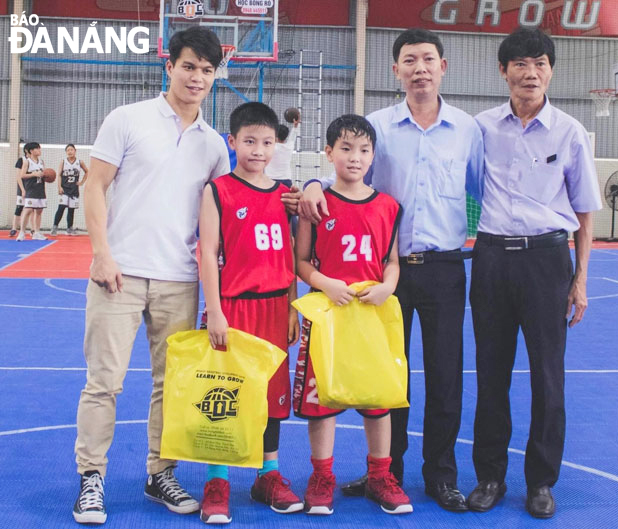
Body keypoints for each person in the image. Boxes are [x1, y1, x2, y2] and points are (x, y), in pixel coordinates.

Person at [300, 28, 483, 512]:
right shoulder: (376, 127)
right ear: (395, 69)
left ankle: (441, 475)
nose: (419, 67)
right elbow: (348, 169)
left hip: (444, 267)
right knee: (385, 377)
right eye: (409, 59)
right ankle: (388, 472)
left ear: (443, 66)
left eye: (428, 58)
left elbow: (485, 190)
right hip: (382, 277)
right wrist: (314, 183)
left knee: (446, 376)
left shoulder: (468, 130)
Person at [72, 27, 230, 525]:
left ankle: (160, 471)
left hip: (180, 280)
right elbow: (95, 187)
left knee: (172, 386)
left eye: (207, 70)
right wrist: (101, 253)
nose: (197, 77)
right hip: (118, 274)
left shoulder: (214, 145)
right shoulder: (129, 119)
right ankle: (91, 478)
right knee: (104, 383)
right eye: (189, 66)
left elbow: (230, 207)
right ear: (169, 65)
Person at [466, 28, 602, 519]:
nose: (531, 72)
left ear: (551, 70)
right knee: (490, 373)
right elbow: (457, 186)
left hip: (548, 261)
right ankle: (489, 476)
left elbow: (586, 212)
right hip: (492, 260)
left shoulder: (569, 132)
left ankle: (541, 481)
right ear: (503, 71)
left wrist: (580, 279)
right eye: (520, 63)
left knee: (548, 377)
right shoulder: (479, 128)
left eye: (541, 63)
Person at [293, 114, 412, 516]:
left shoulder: (388, 206)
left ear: (373, 155)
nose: (355, 157)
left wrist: (388, 286)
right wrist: (325, 284)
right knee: (322, 399)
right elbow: (302, 262)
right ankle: (321, 475)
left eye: (363, 150)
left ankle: (380, 474)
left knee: (378, 399)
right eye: (345, 148)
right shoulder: (317, 204)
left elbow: (391, 261)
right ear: (329, 153)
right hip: (329, 314)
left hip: (370, 315)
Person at [197, 102, 303, 524]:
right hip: (235, 307)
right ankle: (218, 480)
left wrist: (294, 302)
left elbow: (291, 252)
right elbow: (207, 252)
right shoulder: (218, 190)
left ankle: (267, 474)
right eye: (250, 141)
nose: (259, 150)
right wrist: (215, 311)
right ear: (232, 141)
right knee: (225, 393)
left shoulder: (284, 194)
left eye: (267, 142)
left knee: (272, 397)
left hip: (276, 307)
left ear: (276, 144)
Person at [51, 144, 88, 236]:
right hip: (64, 189)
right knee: (61, 208)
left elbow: (87, 171)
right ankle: (55, 227)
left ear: (75, 151)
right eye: (68, 150)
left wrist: (82, 182)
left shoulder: (80, 162)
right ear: (66, 152)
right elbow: (59, 175)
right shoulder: (63, 162)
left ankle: (69, 228)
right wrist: (59, 187)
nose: (70, 151)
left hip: (74, 190)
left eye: (71, 149)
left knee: (71, 210)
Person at [16, 142, 47, 241]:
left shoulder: (41, 161)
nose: (39, 150)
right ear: (31, 151)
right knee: (28, 210)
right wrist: (34, 174)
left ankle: (36, 232)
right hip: (31, 189)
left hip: (40, 189)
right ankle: (22, 232)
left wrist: (47, 176)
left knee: (39, 211)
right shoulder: (27, 162)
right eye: (37, 149)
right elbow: (22, 175)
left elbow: (44, 173)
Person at [265, 109, 301, 188]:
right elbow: (293, 136)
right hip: (286, 180)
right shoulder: (289, 147)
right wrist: (296, 125)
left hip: (270, 180)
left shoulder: (270, 147)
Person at [10, 145, 33, 238]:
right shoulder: (21, 160)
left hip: (32, 189)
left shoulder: (35, 161)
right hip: (23, 188)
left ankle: (33, 229)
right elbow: (18, 176)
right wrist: (22, 190)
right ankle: (14, 228)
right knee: (19, 208)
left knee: (32, 210)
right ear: (27, 150)